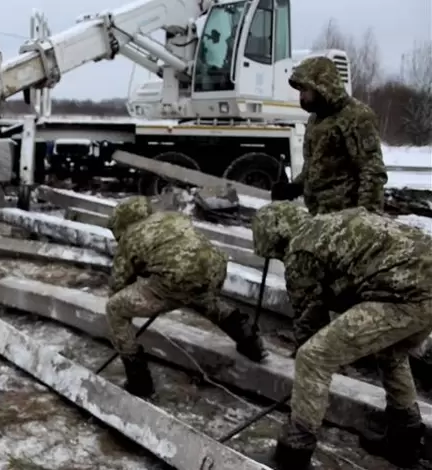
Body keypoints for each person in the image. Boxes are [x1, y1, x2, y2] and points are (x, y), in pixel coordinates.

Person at [251, 202, 432, 469]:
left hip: (406, 293)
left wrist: (307, 385)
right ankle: (403, 441)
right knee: (390, 351)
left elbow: (309, 324)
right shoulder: (322, 226)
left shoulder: (299, 251)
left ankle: (293, 454)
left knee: (313, 357)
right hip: (421, 281)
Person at [105, 196, 267, 398]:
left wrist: (131, 290)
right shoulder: (172, 217)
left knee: (114, 308)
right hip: (215, 268)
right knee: (198, 296)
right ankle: (250, 342)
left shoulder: (131, 235)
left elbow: (118, 283)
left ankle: (140, 381)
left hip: (176, 277)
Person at [271, 56, 388, 215]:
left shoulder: (356, 116)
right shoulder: (316, 119)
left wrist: (366, 218)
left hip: (345, 217)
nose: (301, 97)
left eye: (305, 90)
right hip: (320, 215)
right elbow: (314, 167)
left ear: (321, 87)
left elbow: (372, 170)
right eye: (300, 91)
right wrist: (294, 188)